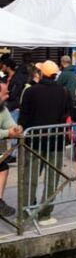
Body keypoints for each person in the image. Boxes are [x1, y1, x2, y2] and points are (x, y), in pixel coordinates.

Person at [18, 61, 73, 225]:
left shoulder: (30, 92)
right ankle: (45, 213)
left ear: (41, 74)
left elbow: (23, 118)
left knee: (30, 177)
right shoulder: (64, 92)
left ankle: (26, 212)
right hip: (56, 142)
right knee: (52, 178)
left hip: (33, 141)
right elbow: (68, 115)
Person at [0, 81, 24, 218]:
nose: (8, 96)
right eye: (5, 94)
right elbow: (6, 132)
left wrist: (16, 129)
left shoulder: (2, 108)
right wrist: (6, 133)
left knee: (2, 167)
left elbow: (10, 124)